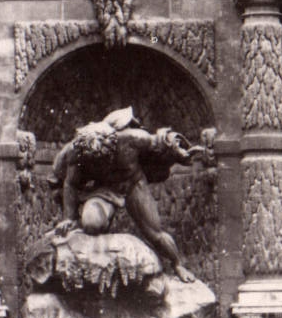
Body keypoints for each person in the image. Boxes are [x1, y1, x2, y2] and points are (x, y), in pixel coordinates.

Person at [50, 108, 202, 280]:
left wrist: (180, 152)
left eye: (104, 159)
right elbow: (70, 184)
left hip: (133, 184)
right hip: (104, 190)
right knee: (91, 224)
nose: (101, 165)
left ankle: (177, 264)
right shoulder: (74, 152)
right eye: (94, 162)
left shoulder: (132, 139)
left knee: (155, 234)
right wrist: (68, 218)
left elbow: (162, 141)